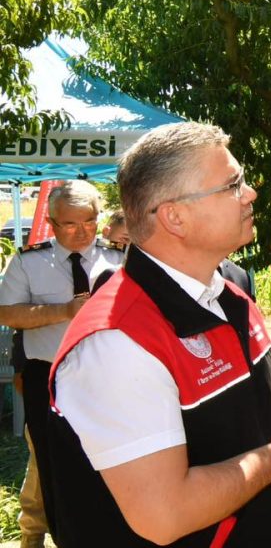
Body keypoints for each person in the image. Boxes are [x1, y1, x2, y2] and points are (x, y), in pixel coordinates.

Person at [46, 122, 271, 547]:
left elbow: (237, 419)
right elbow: (165, 514)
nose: (250, 193)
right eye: (232, 184)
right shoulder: (116, 342)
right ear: (174, 216)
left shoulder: (228, 298)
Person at [0, 180, 125, 539]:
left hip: (107, 376)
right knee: (52, 463)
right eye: (70, 224)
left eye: (89, 221)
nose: (81, 231)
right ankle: (62, 535)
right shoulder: (29, 262)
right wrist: (64, 310)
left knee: (108, 457)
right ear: (53, 224)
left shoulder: (117, 258)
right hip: (50, 376)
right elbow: (8, 314)